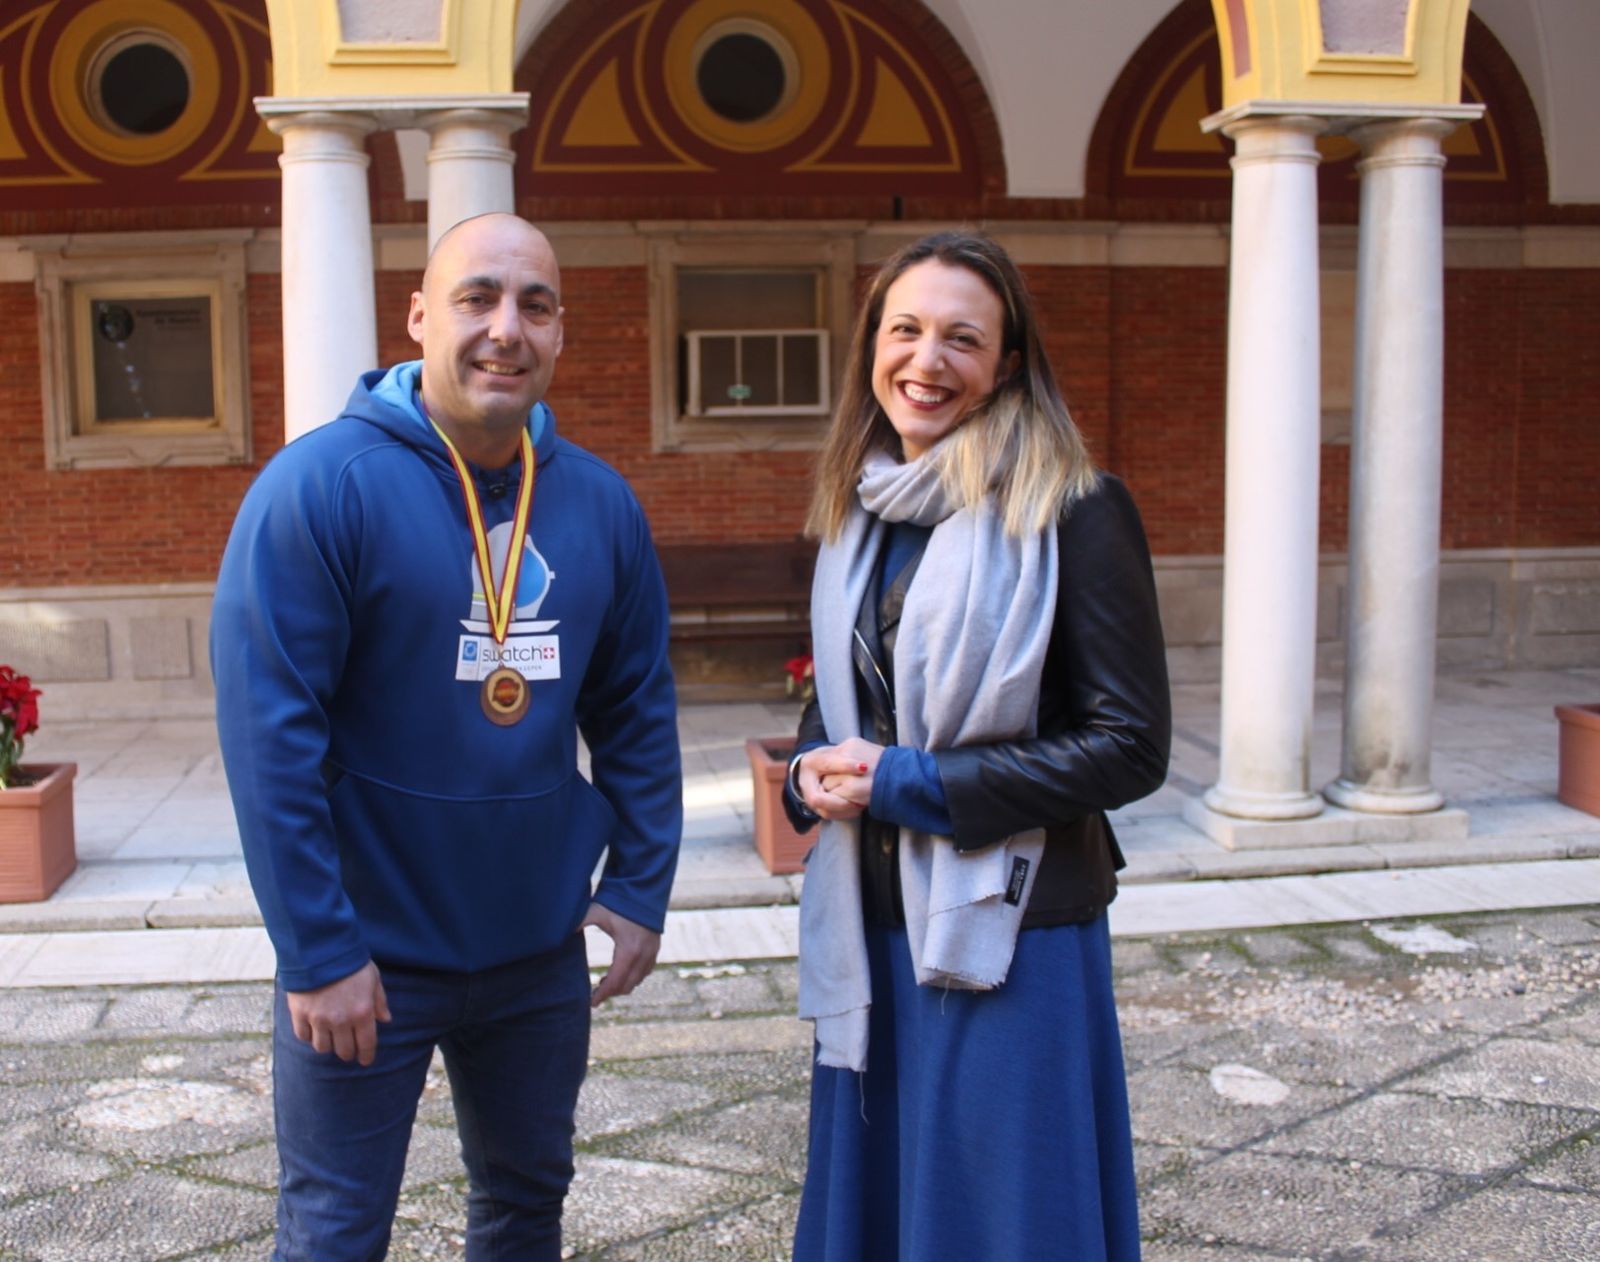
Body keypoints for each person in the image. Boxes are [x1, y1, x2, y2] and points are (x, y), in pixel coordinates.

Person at [211, 212, 682, 1260]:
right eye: (478, 297)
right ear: (420, 315)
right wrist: (318, 949)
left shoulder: (600, 503)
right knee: (335, 1229)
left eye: (535, 306)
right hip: (369, 957)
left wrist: (641, 881)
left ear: (560, 333)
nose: (505, 328)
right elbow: (269, 740)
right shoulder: (318, 487)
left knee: (525, 1208)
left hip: (535, 954)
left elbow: (637, 708)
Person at [784, 230, 1170, 1261]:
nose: (928, 360)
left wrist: (906, 782)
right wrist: (807, 773)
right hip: (872, 926)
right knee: (890, 1210)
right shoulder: (858, 514)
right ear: (872, 346)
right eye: (905, 330)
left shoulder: (1075, 508)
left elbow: (1130, 747)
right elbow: (841, 714)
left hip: (1009, 932)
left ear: (1005, 365)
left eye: (962, 338)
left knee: (1002, 1221)